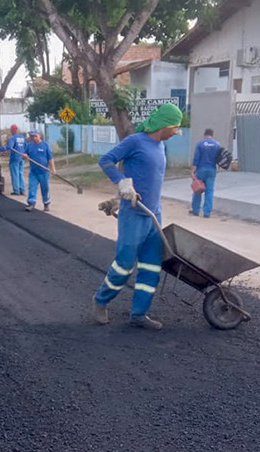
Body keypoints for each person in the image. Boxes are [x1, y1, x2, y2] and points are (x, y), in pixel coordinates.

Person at [91, 103, 183, 330]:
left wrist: (118, 196)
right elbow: (106, 160)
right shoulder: (136, 141)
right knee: (124, 265)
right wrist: (122, 184)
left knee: (152, 267)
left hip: (153, 215)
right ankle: (100, 302)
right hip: (134, 214)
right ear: (165, 124)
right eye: (175, 128)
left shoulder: (161, 146)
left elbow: (146, 177)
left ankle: (139, 314)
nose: (176, 132)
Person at [190, 128, 221, 218]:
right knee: (209, 191)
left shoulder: (200, 144)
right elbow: (220, 159)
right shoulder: (217, 145)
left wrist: (192, 171)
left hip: (201, 170)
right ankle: (207, 212)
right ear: (212, 135)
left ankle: (196, 210)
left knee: (198, 190)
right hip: (211, 169)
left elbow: (196, 159)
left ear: (204, 135)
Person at [22, 130, 56, 212]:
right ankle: (31, 203)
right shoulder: (30, 146)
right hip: (33, 172)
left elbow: (50, 158)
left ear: (39, 135)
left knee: (45, 188)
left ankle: (46, 204)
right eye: (32, 136)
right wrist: (24, 156)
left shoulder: (45, 145)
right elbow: (25, 155)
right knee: (32, 187)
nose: (34, 138)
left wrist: (53, 168)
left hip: (44, 172)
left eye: (35, 136)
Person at [0, 124, 26, 195]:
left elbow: (9, 147)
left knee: (15, 174)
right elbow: (26, 147)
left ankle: (16, 191)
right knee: (20, 174)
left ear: (13, 130)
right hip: (21, 158)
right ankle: (22, 189)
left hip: (15, 158)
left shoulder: (13, 138)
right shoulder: (22, 138)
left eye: (11, 130)